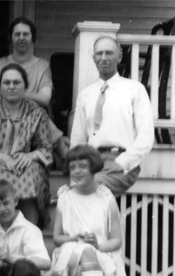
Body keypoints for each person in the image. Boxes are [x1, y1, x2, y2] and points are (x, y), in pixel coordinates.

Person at [42, 145, 128, 276]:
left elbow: (116, 241)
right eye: (72, 167)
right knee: (84, 251)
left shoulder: (106, 198)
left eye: (82, 166)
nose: (76, 171)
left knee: (87, 254)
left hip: (102, 256)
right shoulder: (65, 197)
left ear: (94, 167)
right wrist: (74, 237)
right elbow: (57, 238)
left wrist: (98, 245)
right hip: (68, 254)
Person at [70, 36, 154, 195]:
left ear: (119, 57)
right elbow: (78, 139)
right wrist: (77, 168)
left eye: (109, 53)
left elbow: (146, 136)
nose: (103, 58)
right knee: (75, 199)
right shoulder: (86, 95)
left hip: (120, 161)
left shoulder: (134, 89)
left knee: (86, 193)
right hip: (92, 162)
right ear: (93, 57)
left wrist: (122, 162)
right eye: (99, 53)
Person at [0, 63, 53, 227]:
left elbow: (45, 147)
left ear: (25, 86)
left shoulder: (37, 112)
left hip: (26, 162)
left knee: (33, 173)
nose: (11, 86)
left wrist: (30, 155)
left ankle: (28, 231)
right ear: (0, 86)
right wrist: (3, 157)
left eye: (16, 82)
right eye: (6, 82)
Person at [0, 17, 69, 159]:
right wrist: (17, 99)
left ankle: (67, 156)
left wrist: (15, 96)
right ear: (11, 38)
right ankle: (62, 148)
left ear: (33, 37)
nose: (21, 38)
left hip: (33, 118)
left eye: (26, 34)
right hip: (3, 114)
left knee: (34, 111)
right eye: (17, 34)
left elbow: (44, 98)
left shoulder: (42, 65)